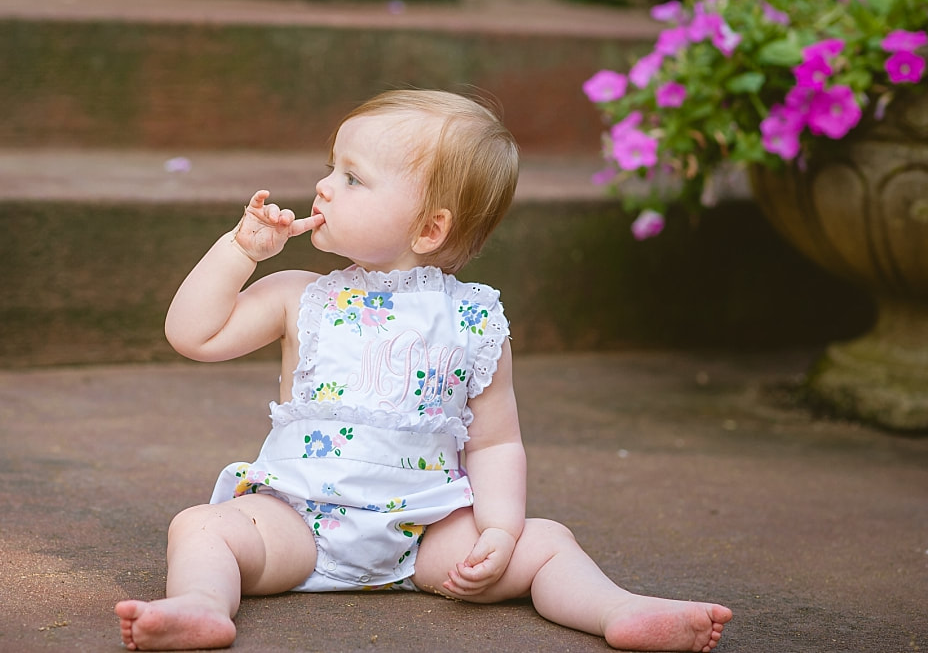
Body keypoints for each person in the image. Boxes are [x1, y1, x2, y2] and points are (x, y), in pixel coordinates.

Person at [115, 89, 732, 652]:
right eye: (331, 168)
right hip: (299, 521)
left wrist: (497, 530)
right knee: (203, 526)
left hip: (428, 536)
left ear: (431, 227)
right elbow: (193, 334)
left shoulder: (474, 319)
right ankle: (199, 605)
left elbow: (496, 441)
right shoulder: (300, 295)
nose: (324, 187)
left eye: (353, 178)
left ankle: (619, 611)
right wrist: (239, 252)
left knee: (547, 543)